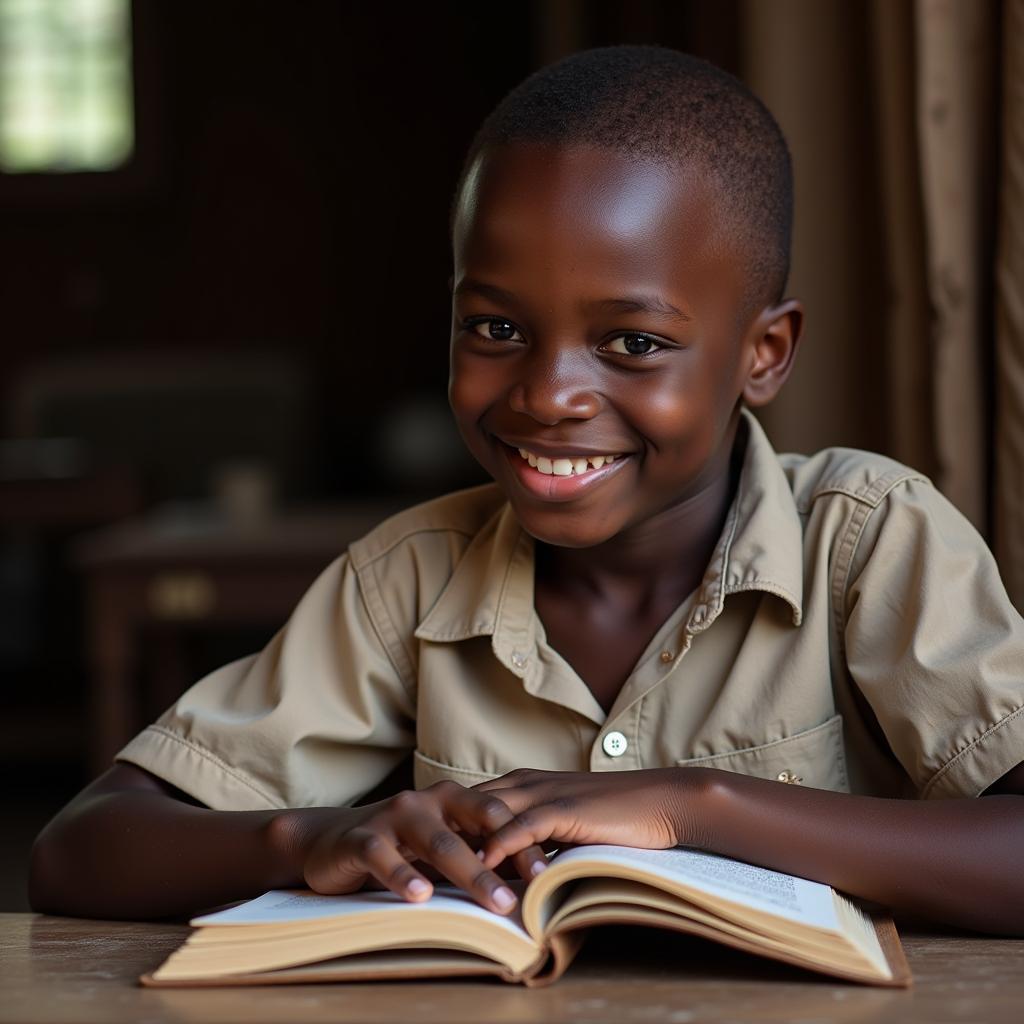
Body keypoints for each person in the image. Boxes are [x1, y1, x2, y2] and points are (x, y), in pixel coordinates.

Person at [30, 46, 1024, 934]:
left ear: (763, 352)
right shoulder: (408, 581)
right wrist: (317, 835)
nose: (547, 395)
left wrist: (696, 807)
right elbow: (81, 849)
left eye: (632, 343)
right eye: (496, 329)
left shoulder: (865, 541)